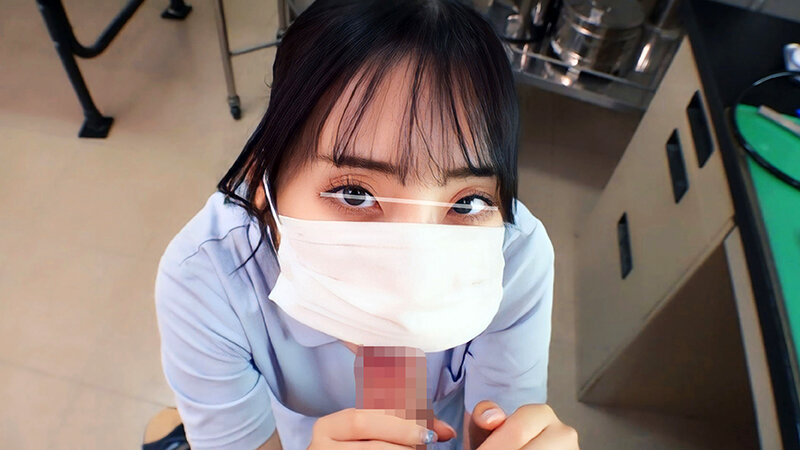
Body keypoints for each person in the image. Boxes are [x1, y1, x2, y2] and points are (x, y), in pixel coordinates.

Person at [153, 0, 579, 448]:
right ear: (264, 182)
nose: (412, 274)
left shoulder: (515, 257)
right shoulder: (208, 275)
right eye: (355, 194)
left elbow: (495, 423)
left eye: (467, 201)